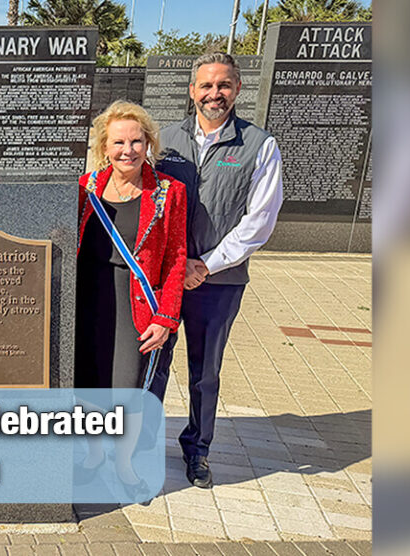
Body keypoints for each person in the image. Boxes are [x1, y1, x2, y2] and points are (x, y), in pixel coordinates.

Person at [151, 52, 284, 489]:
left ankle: (197, 449)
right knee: (152, 363)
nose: (214, 94)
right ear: (192, 91)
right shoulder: (164, 141)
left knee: (205, 370)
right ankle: (144, 447)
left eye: (223, 85)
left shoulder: (260, 146)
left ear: (237, 89)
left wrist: (206, 263)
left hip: (219, 281)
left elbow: (260, 220)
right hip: (163, 279)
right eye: (206, 85)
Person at [75, 101, 187, 493]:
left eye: (136, 141)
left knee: (127, 390)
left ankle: (122, 465)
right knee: (87, 386)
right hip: (87, 299)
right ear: (105, 146)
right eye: (119, 142)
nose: (128, 150)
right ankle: (92, 454)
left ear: (149, 143)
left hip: (134, 304)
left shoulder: (170, 193)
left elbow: (175, 259)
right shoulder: (85, 188)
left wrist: (166, 318)